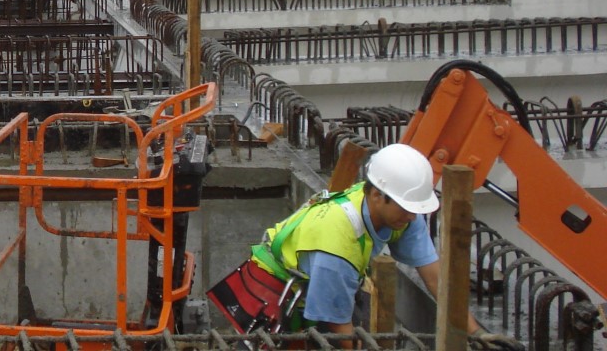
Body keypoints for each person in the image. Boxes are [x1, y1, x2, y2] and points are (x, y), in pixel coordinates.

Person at [209, 143, 521, 349]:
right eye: (405, 207)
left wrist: (476, 332)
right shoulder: (337, 244)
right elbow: (338, 325)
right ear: (375, 195)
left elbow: (436, 278)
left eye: (416, 208)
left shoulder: (402, 212)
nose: (412, 215)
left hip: (317, 286)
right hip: (275, 293)